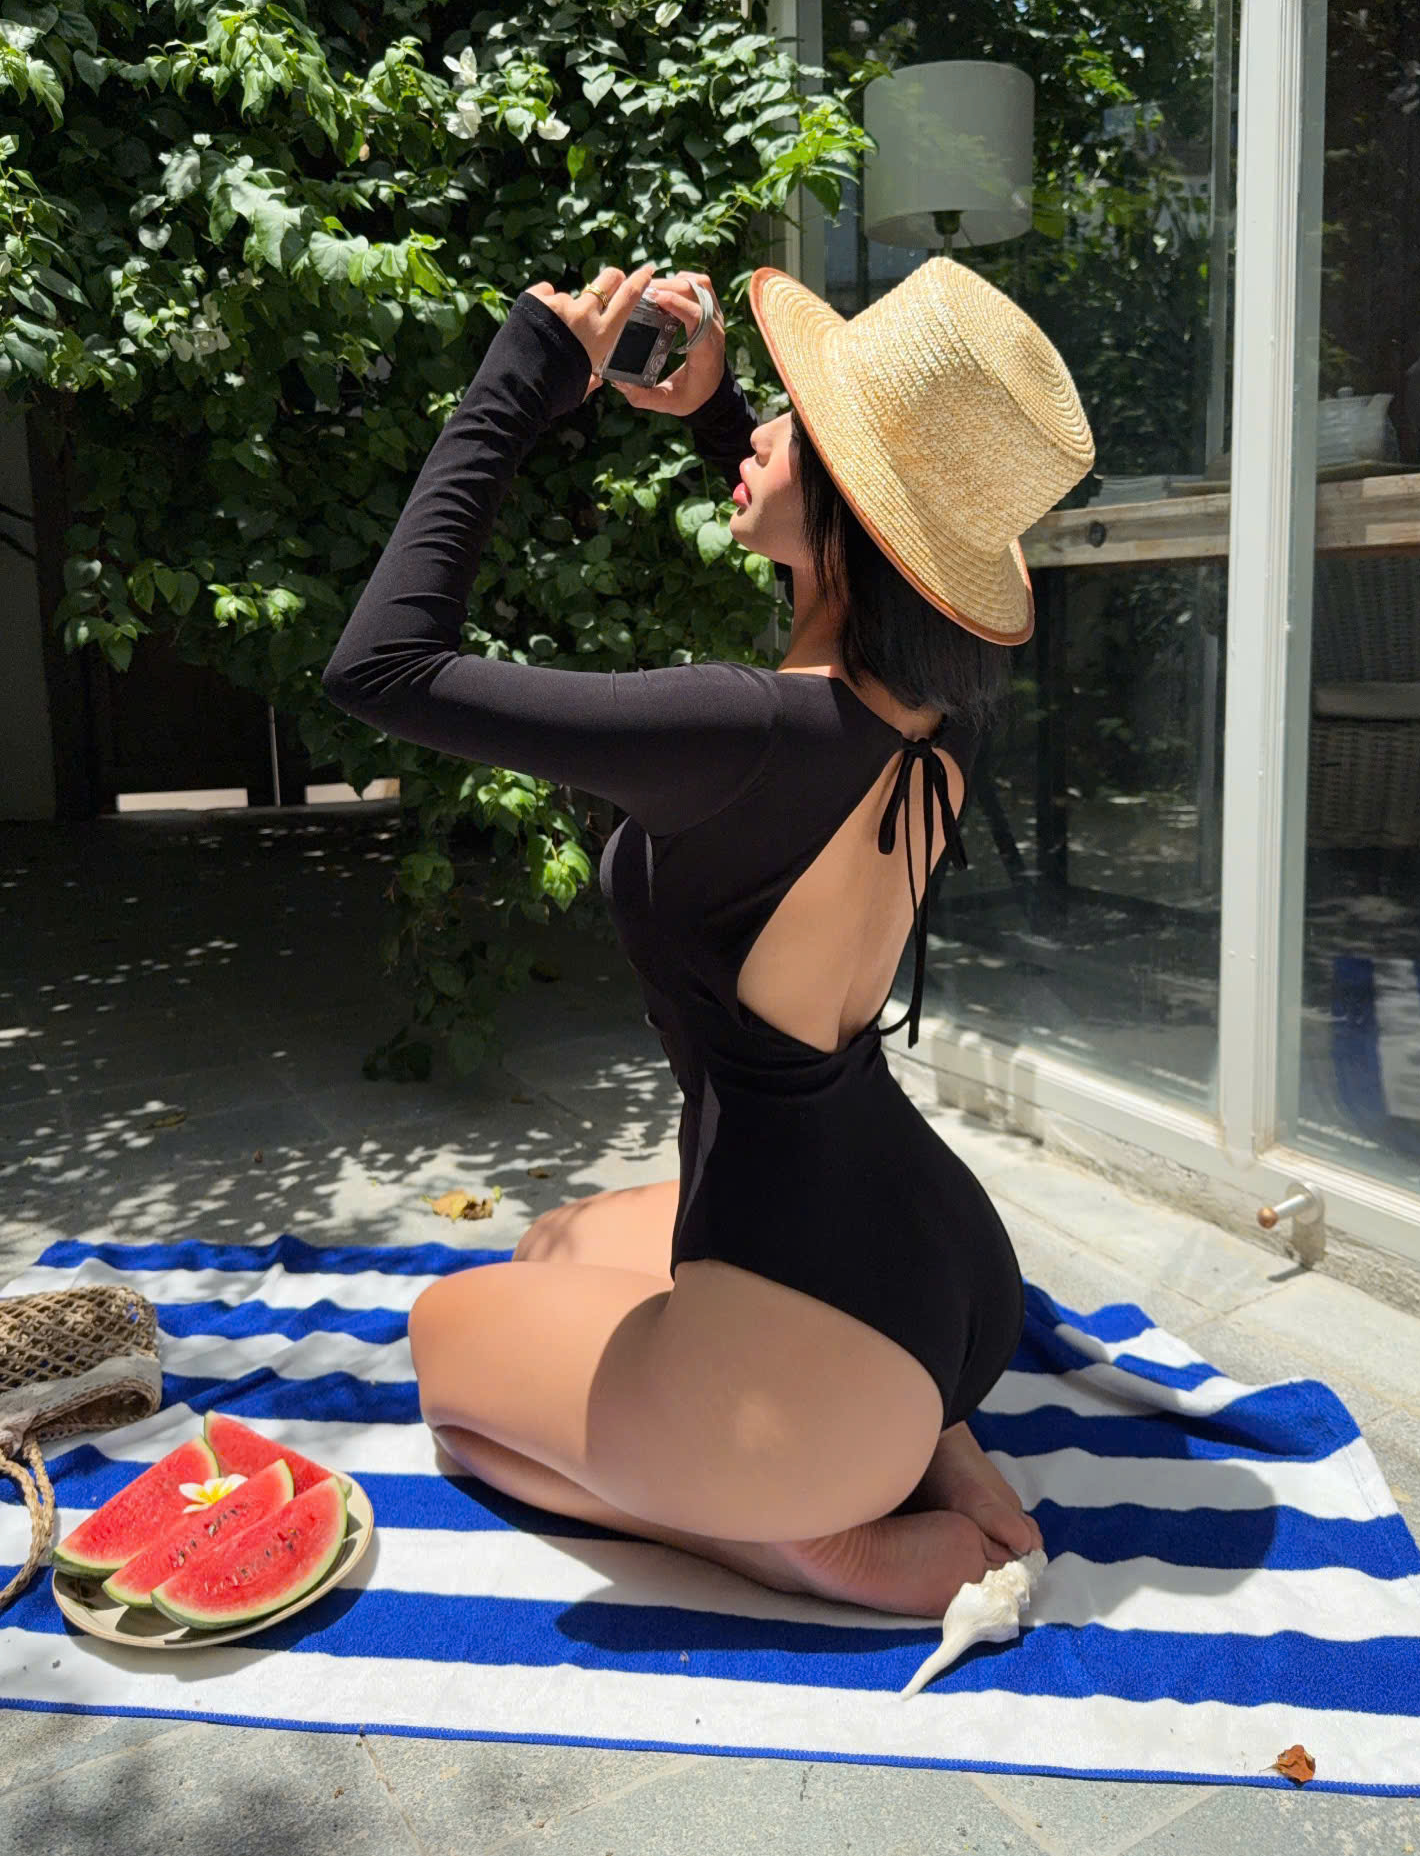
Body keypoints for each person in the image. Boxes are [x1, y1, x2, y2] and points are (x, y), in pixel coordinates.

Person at [321, 254, 1095, 1620]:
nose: (770, 430)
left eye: (801, 422)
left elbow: (381, 665)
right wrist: (721, 416)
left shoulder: (745, 733)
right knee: (556, 1243)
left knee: (451, 1369)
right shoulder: (940, 712)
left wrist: (526, 376)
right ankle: (926, 1439)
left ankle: (819, 1537)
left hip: (811, 1337)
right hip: (945, 1269)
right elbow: (840, 593)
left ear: (853, 505)